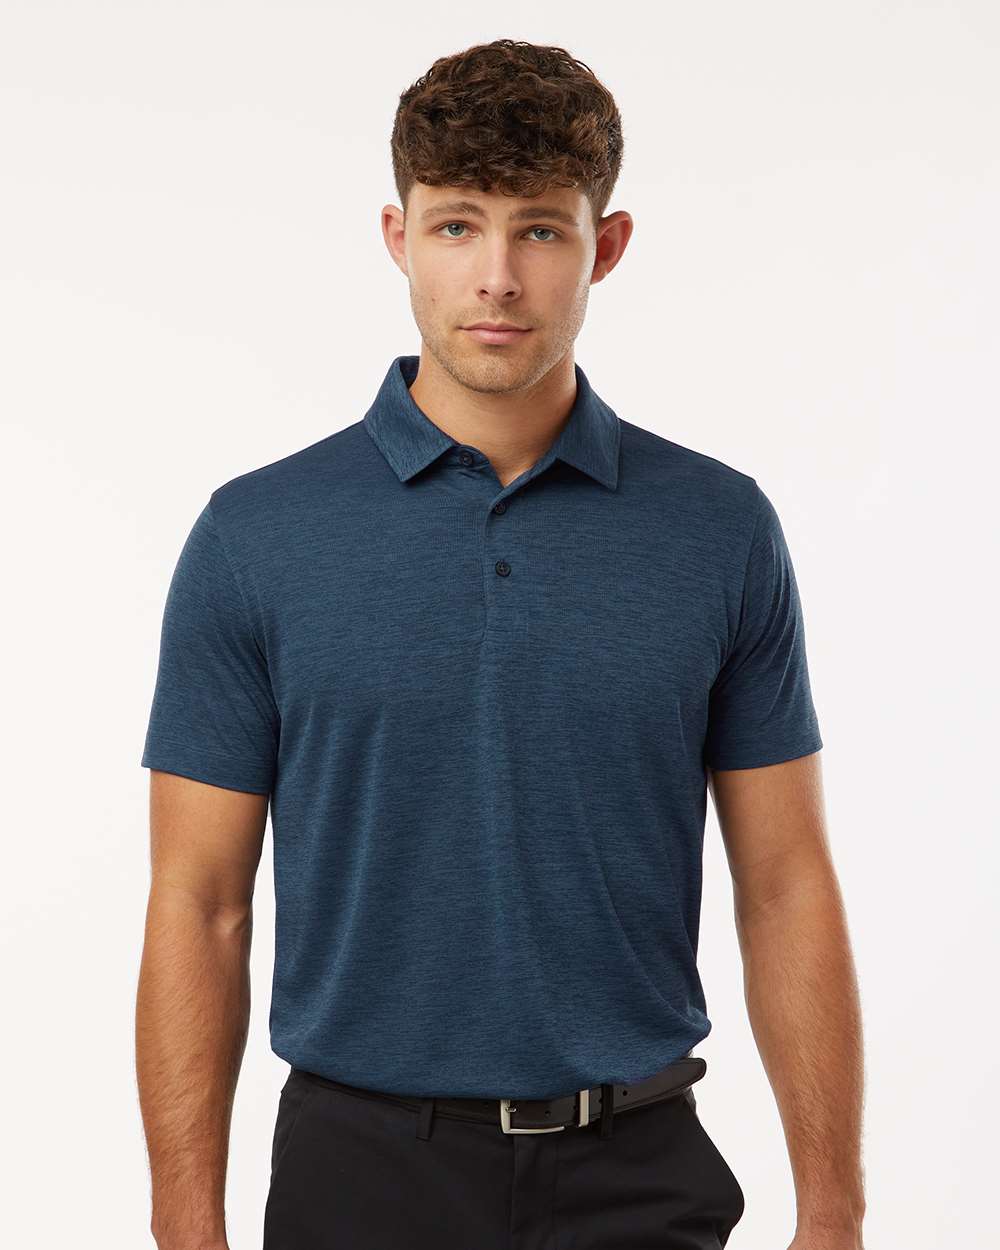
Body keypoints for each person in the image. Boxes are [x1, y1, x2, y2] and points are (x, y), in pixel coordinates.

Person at [135, 37, 866, 1250]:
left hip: (639, 1171)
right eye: (456, 226)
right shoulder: (256, 536)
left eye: (538, 230)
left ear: (604, 246)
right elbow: (200, 901)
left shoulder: (718, 529)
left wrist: (833, 1213)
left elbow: (786, 881)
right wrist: (185, 1227)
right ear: (397, 236)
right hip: (360, 1175)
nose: (496, 278)